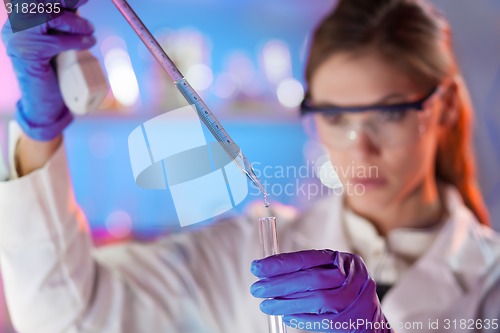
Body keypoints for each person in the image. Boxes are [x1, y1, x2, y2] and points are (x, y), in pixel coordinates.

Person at [0, 0, 499, 332]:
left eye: (389, 112)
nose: (359, 147)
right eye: (335, 115)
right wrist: (40, 130)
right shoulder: (250, 253)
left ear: (446, 107)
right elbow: (64, 316)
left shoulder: (491, 284)